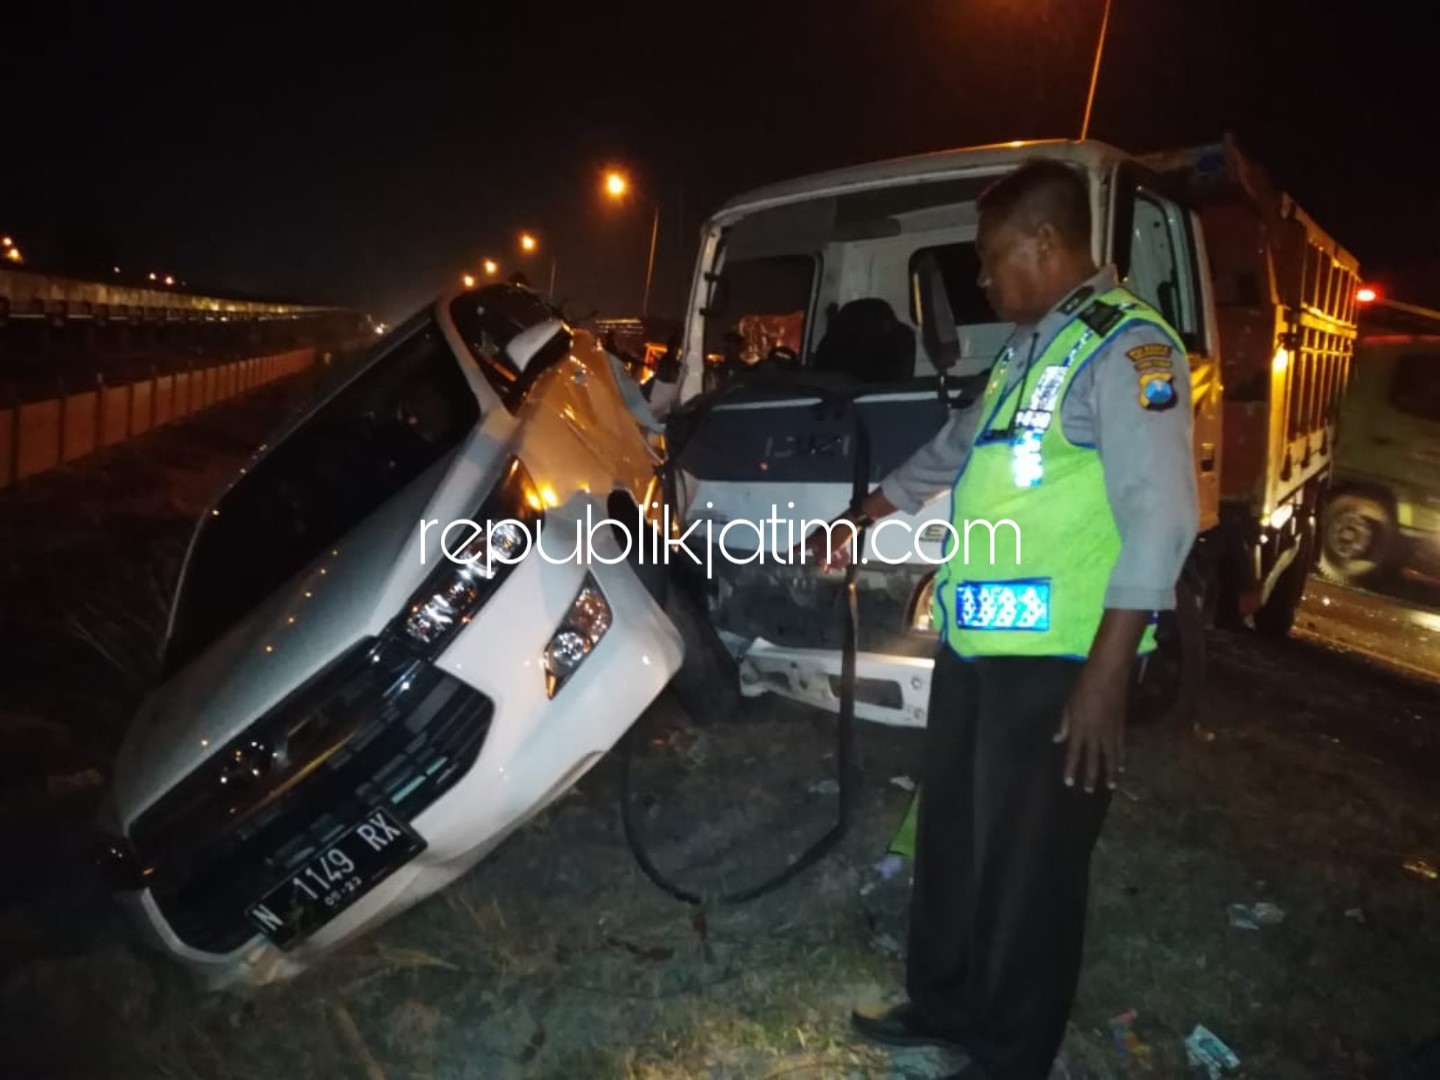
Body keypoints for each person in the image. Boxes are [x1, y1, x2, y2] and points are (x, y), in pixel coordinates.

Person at [805, 159, 1198, 1079]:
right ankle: (943, 1004)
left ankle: (1010, 1055)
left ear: (1046, 245)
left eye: (989, 261)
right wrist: (864, 516)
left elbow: (1164, 517)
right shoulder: (1031, 350)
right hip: (980, 650)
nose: (980, 279)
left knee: (1031, 872)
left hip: (1061, 664)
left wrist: (1108, 673)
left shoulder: (1129, 348)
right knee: (954, 840)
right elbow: (958, 451)